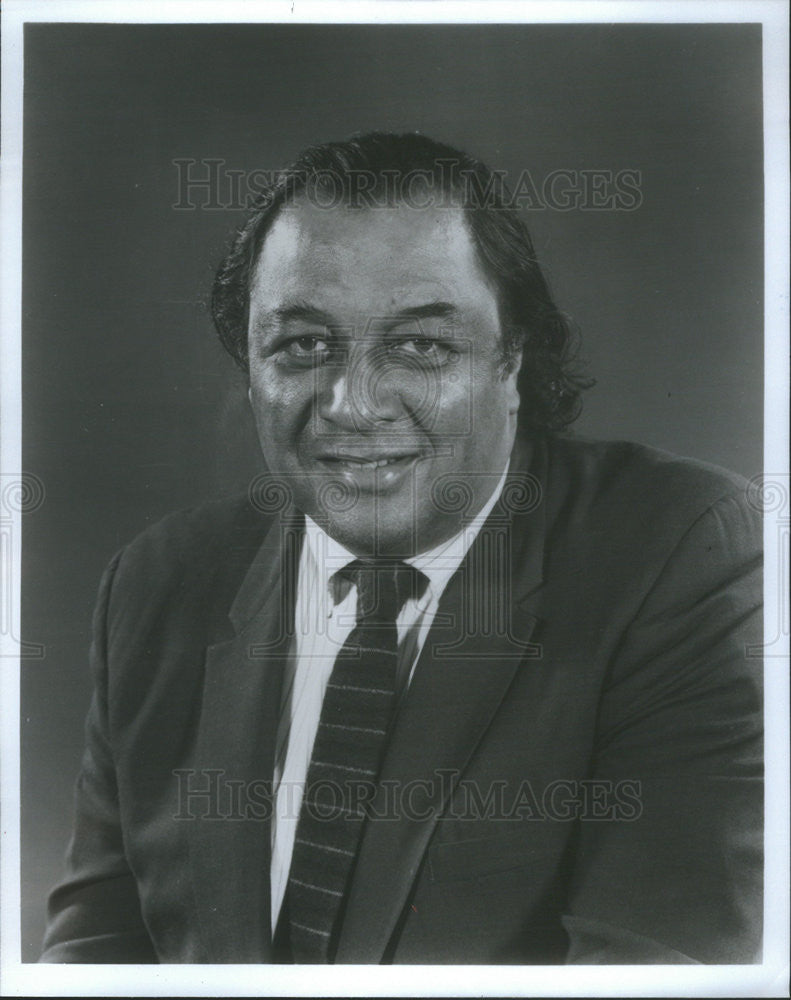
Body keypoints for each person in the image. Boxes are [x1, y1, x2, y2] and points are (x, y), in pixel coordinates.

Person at [40, 132, 762, 964]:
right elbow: (93, 955)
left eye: (419, 346)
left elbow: (658, 968)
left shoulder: (687, 556)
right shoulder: (158, 583)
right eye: (303, 345)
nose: (352, 404)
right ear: (250, 367)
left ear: (512, 361)